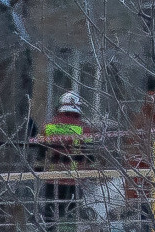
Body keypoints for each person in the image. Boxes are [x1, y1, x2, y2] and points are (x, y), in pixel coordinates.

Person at [37, 89, 92, 228]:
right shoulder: (84, 129)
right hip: (74, 179)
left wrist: (38, 170)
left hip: (52, 177)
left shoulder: (48, 127)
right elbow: (90, 156)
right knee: (70, 216)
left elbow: (40, 153)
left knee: (50, 216)